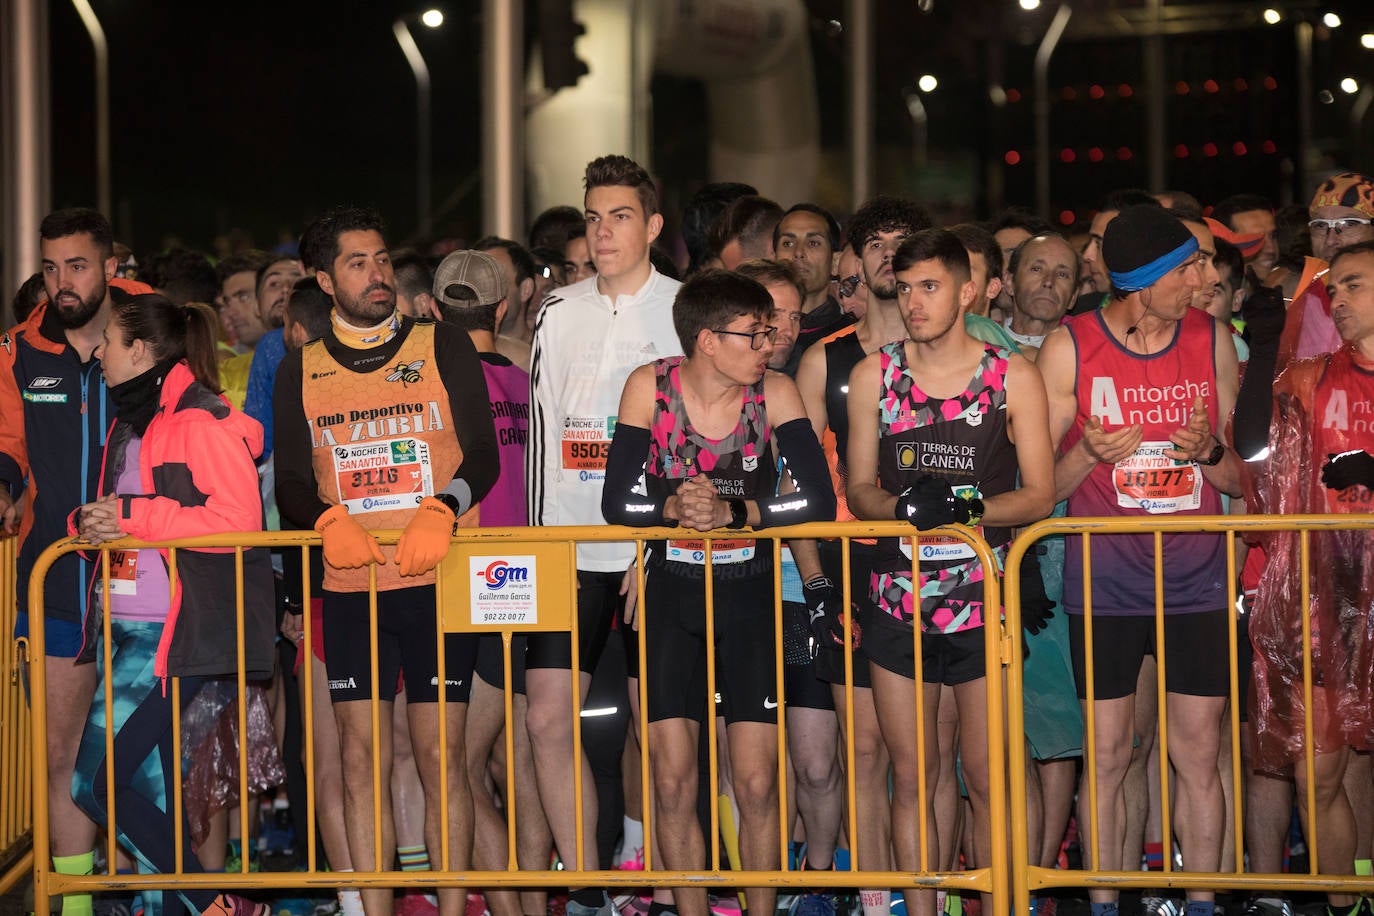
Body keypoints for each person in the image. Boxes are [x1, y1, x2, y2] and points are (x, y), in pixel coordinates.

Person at [273, 207, 499, 916]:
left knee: (442, 760)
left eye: (381, 259)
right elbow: (288, 485)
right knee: (359, 760)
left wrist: (443, 506)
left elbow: (484, 456)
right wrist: (326, 519)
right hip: (351, 587)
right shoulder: (299, 369)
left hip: (436, 580)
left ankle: (453, 906)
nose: (377, 274)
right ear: (323, 278)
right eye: (357, 262)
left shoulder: (442, 345)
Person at [601, 269, 836, 916]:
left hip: (749, 591)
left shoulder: (778, 392)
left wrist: (736, 516)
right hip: (667, 592)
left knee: (758, 782)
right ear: (708, 340)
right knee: (673, 782)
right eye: (756, 333)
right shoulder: (650, 387)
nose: (772, 342)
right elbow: (615, 499)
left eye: (772, 330)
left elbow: (816, 500)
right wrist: (672, 506)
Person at [1037, 205, 1241, 916]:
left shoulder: (1213, 338)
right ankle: (1101, 904)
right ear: (1145, 281)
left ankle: (1204, 904)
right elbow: (1038, 493)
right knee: (1110, 755)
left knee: (1197, 755)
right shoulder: (1070, 346)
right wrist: (1085, 457)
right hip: (1106, 582)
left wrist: (1208, 452)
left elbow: (1242, 479)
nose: (1205, 277)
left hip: (1198, 581)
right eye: (1189, 266)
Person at [845, 229, 1055, 916]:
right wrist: (902, 505)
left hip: (982, 600)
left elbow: (1039, 493)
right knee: (911, 777)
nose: (913, 302)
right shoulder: (875, 373)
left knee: (990, 775)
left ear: (968, 290)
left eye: (928, 286)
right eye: (903, 288)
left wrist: (967, 507)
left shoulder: (1011, 374)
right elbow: (859, 489)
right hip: (896, 600)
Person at [68, 291, 276, 916]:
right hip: (130, 626)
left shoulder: (196, 420)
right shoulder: (141, 420)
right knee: (152, 794)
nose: (99, 351)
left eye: (109, 340)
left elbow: (238, 520)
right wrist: (94, 523)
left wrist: (131, 515)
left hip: (172, 633)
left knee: (95, 782)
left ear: (141, 350)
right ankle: (186, 906)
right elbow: (135, 515)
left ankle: (214, 901)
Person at [526, 154, 682, 916]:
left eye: (620, 215)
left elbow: (694, 440)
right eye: (593, 217)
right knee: (548, 717)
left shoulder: (685, 310)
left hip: (653, 550)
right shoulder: (557, 312)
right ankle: (587, 885)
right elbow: (541, 431)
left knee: (662, 731)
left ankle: (656, 878)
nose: (603, 231)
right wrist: (539, 543)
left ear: (653, 225)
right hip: (566, 549)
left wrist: (653, 541)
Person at [0, 207, 155, 916]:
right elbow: (7, 444)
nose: (62, 282)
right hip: (56, 583)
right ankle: (79, 904)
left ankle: (144, 895)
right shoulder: (19, 350)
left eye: (78, 265)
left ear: (110, 267)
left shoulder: (155, 333)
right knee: (61, 757)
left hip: (150, 584)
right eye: (52, 266)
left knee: (140, 763)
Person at [793, 194, 931, 916]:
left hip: (937, 566)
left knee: (931, 757)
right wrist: (816, 584)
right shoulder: (826, 359)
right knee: (868, 750)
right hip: (853, 565)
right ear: (854, 259)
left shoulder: (952, 349)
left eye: (901, 243)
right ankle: (877, 900)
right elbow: (801, 488)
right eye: (873, 245)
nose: (886, 256)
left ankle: (932, 892)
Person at [1247, 239, 1374, 916]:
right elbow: (1264, 486)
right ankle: (1345, 904)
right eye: (1334, 291)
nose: (1339, 301)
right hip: (1330, 602)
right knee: (1317, 775)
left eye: (1353, 285)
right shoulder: (1308, 380)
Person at [774, 204, 854, 371]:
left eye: (813, 243)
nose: (798, 252)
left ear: (835, 262)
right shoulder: (755, 336)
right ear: (773, 259)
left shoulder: (853, 338)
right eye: (787, 243)